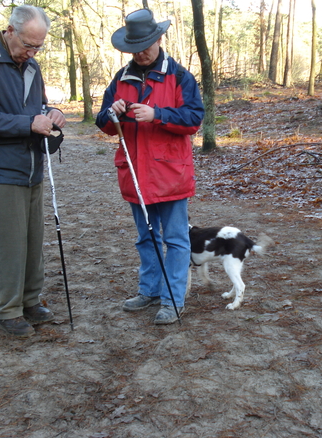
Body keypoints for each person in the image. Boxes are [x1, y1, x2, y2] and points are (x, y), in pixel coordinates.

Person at [0, 5, 66, 337]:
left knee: (34, 239)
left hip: (32, 165)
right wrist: (28, 123)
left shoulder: (31, 65)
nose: (32, 53)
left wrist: (53, 113)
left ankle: (31, 302)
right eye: (27, 46)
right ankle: (8, 311)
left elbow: (36, 108)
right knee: (12, 242)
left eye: (38, 47)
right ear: (10, 31)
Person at [96, 9, 204, 325]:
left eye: (147, 44)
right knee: (146, 238)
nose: (141, 52)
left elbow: (194, 119)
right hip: (135, 174)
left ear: (158, 39)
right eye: (135, 47)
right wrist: (112, 113)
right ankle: (150, 290)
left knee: (176, 239)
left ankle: (172, 300)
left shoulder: (180, 77)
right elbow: (103, 122)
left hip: (170, 175)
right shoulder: (120, 79)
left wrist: (158, 115)